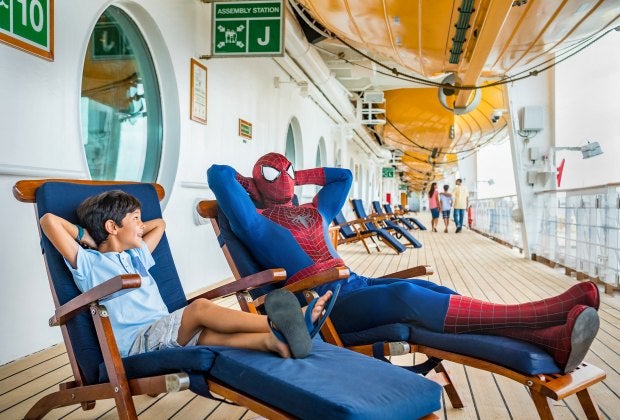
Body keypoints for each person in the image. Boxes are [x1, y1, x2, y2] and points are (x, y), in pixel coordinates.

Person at [207, 152, 600, 373]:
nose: (283, 177)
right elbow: (219, 174)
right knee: (407, 297)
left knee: (429, 289)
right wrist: (254, 182)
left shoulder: (315, 211)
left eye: (287, 171)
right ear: (255, 184)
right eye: (272, 173)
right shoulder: (255, 223)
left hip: (354, 284)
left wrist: (295, 175)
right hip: (325, 304)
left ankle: (549, 340)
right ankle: (542, 314)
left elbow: (343, 177)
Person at [39, 189, 333, 359]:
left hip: (165, 331)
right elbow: (49, 220)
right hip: (138, 344)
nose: (142, 225)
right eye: (136, 219)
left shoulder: (136, 256)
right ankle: (280, 323)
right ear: (112, 227)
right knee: (200, 309)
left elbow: (160, 224)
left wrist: (129, 230)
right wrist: (87, 237)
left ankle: (274, 342)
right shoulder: (89, 263)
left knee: (209, 336)